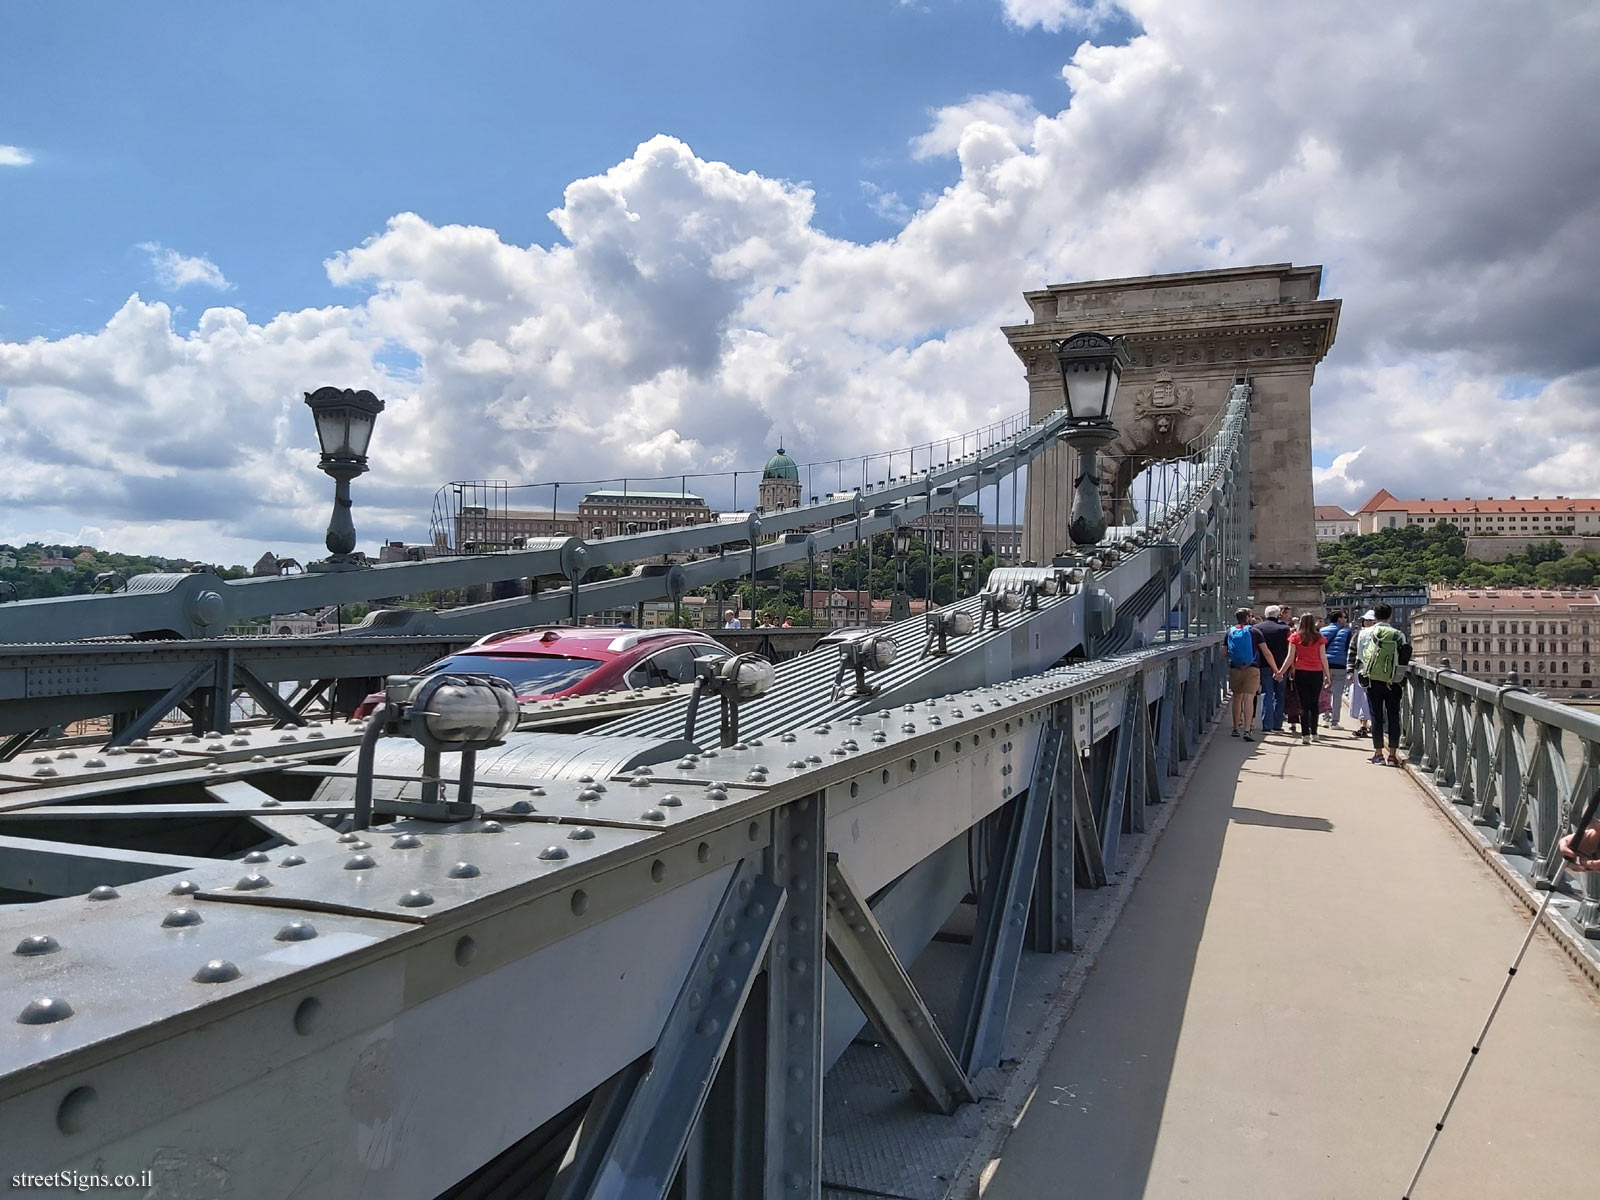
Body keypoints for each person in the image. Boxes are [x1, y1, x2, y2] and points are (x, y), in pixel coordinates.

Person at [1358, 602, 1409, 766]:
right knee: (1394, 716)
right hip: (1393, 680)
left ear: (1375, 617)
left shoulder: (1365, 633)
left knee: (1376, 716)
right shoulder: (1398, 634)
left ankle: (1379, 754)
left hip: (1373, 679)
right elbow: (1403, 658)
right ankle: (1393, 756)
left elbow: (1361, 656)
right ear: (1390, 616)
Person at [1226, 607, 1272, 741]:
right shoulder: (1255, 631)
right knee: (1249, 698)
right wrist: (1275, 669)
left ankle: (1235, 728)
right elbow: (1266, 652)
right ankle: (1247, 730)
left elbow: (1223, 652)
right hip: (1252, 668)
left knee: (1237, 698)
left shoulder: (1230, 631)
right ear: (1248, 617)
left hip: (1235, 668)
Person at [1284, 612, 1331, 743]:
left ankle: (1305, 734)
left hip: (1300, 672)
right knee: (1314, 703)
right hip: (1316, 672)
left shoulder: (1295, 637)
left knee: (1303, 704)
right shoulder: (1319, 638)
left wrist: (1281, 672)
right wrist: (1327, 674)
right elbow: (1323, 657)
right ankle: (1314, 732)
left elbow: (1290, 657)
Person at [1255, 605, 1292, 733]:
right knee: (1280, 695)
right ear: (1278, 615)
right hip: (1281, 666)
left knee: (1267, 693)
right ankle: (1277, 724)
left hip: (1264, 665)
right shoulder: (1285, 629)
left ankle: (1267, 725)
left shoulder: (1257, 628)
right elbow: (1289, 649)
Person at [1320, 610, 1353, 727]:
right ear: (1339, 619)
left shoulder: (1322, 631)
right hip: (1340, 665)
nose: (1346, 620)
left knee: (1325, 692)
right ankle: (1335, 722)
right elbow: (1349, 649)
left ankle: (1326, 717)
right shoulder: (1347, 632)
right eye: (1345, 618)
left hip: (1325, 665)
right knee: (1337, 694)